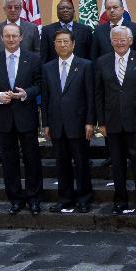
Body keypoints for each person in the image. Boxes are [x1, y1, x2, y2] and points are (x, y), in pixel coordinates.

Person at [0, 23, 43, 214]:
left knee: (32, 159)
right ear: (1, 38)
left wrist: (26, 94)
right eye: (7, 36)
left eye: (14, 36)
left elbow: (40, 84)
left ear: (21, 37)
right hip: (4, 118)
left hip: (26, 116)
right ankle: (15, 199)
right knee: (9, 161)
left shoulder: (32, 59)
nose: (11, 39)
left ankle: (34, 198)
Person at [95, 25, 136, 215]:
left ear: (130, 40)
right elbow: (98, 94)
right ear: (111, 41)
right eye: (116, 39)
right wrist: (101, 122)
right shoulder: (102, 62)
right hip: (112, 122)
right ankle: (120, 200)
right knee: (117, 165)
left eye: (123, 39)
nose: (120, 42)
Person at [41, 28, 94, 213]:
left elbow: (90, 96)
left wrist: (90, 122)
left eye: (66, 42)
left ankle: (84, 198)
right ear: (54, 45)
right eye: (59, 42)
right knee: (61, 163)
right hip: (56, 124)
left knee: (81, 163)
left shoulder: (86, 65)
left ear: (73, 44)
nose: (62, 45)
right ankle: (65, 198)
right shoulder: (47, 67)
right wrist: (45, 123)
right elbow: (45, 98)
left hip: (79, 124)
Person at [0, 0, 40, 169]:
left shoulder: (31, 28)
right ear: (4, 9)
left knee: (30, 153)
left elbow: (38, 54)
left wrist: (27, 90)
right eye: (10, 7)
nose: (13, 10)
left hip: (25, 94)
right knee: (7, 151)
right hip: (3, 102)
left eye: (17, 7)